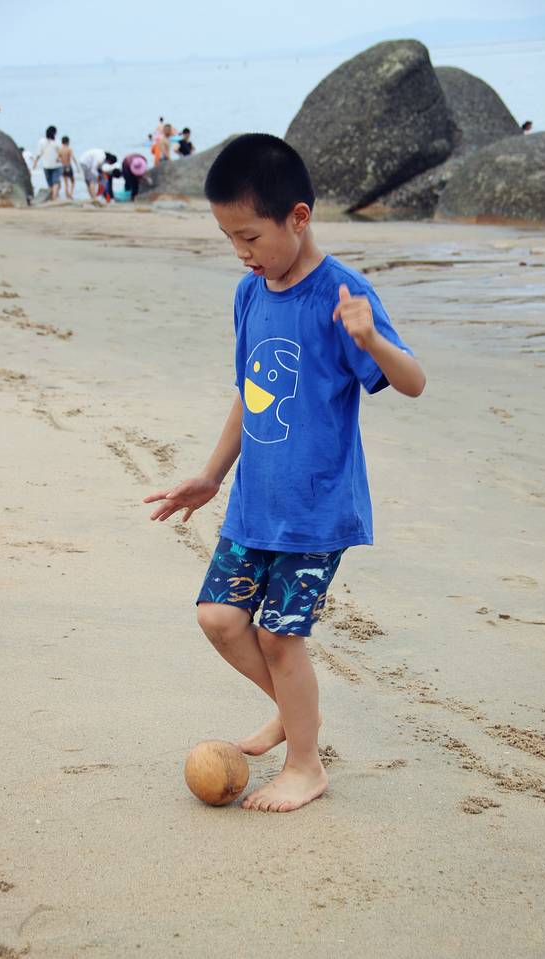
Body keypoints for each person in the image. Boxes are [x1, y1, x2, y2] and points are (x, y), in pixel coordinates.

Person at [144, 134, 426, 813]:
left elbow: (413, 381)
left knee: (277, 635)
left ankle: (305, 763)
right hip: (253, 503)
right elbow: (249, 395)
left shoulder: (342, 294)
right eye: (228, 238)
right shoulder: (249, 293)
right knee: (218, 618)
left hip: (315, 509)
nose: (241, 252)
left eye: (250, 236)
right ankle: (295, 715)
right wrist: (211, 476)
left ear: (298, 217)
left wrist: (370, 339)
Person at [33, 126, 62, 200]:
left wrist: (35, 162)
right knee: (56, 182)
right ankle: (54, 197)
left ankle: (52, 197)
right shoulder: (57, 141)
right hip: (57, 165)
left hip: (46, 165)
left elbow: (39, 153)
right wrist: (60, 158)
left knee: (50, 183)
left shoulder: (42, 141)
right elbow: (60, 152)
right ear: (55, 133)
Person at [58, 136, 79, 200]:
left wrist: (62, 161)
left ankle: (67, 195)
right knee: (73, 181)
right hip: (68, 166)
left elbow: (57, 159)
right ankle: (70, 194)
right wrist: (77, 166)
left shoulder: (60, 150)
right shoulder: (69, 149)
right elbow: (73, 157)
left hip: (63, 167)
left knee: (66, 183)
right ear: (68, 142)